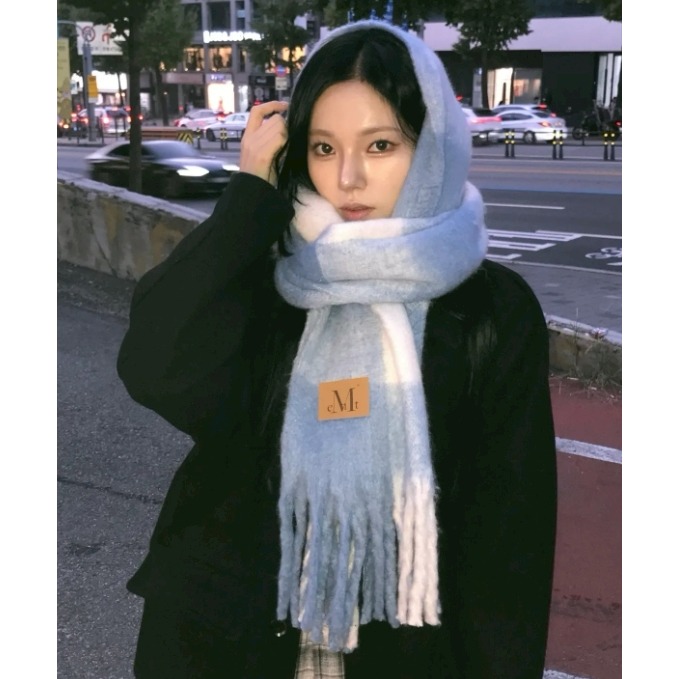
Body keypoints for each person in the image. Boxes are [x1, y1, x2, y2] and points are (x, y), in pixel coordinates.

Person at [118, 19, 557, 679]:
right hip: (228, 636)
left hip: (403, 650)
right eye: (322, 148)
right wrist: (247, 199)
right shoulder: (266, 270)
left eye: (380, 144)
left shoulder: (489, 309)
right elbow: (153, 367)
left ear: (431, 146)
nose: (348, 177)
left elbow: (509, 537)